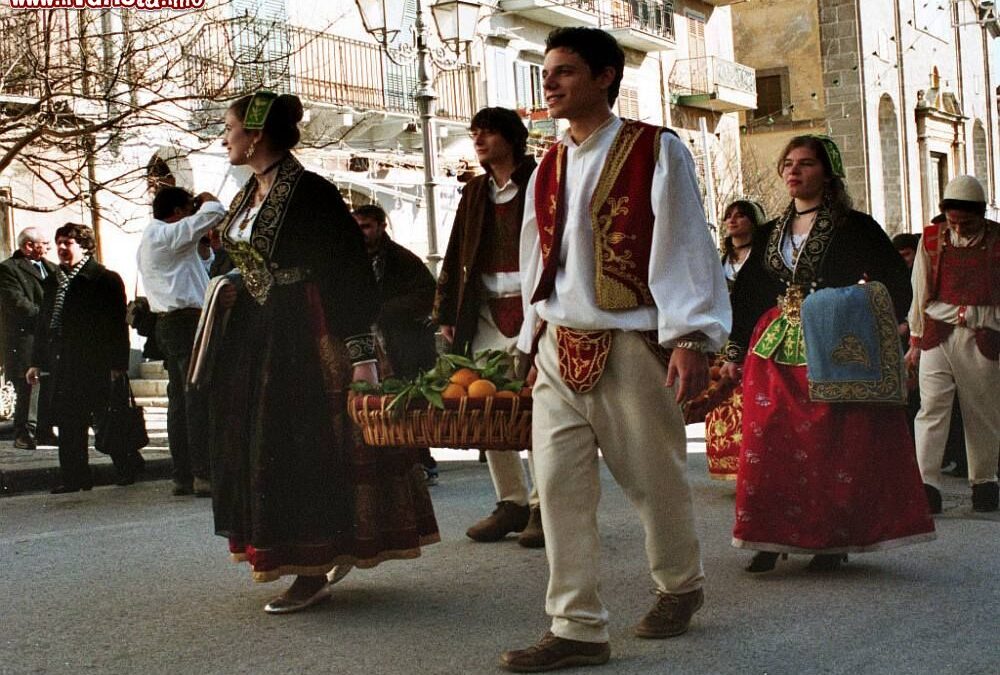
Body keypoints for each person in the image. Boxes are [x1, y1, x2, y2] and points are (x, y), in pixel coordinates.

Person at [501, 28, 731, 672]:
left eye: (565, 71)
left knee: (653, 480)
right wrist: (529, 336)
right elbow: (534, 253)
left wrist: (689, 336)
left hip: (630, 341)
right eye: (548, 72)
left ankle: (680, 586)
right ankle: (576, 626)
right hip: (557, 343)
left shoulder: (654, 150)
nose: (550, 83)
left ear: (605, 76)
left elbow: (686, 242)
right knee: (557, 486)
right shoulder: (548, 163)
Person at [209, 91, 439, 614]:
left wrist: (360, 352)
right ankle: (302, 555)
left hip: (306, 334)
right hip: (262, 334)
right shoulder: (251, 193)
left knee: (303, 446)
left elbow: (347, 270)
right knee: (268, 444)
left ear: (257, 134)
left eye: (230, 128)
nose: (225, 138)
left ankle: (311, 564)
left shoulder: (310, 193)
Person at [720, 135, 936, 574]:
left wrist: (887, 322)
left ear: (827, 173)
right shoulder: (768, 233)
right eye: (788, 164)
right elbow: (748, 294)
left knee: (826, 444)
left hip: (832, 344)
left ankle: (828, 539)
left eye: (805, 164)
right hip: (775, 347)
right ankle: (768, 534)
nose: (793, 171)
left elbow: (896, 278)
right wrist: (734, 350)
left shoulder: (854, 227)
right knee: (769, 438)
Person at [434, 106, 544, 548]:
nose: (478, 141)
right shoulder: (475, 191)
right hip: (484, 311)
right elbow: (456, 248)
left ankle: (542, 506)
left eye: (487, 133)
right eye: (474, 133)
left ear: (511, 138)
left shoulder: (542, 181)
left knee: (536, 409)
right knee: (488, 405)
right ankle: (511, 502)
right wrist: (445, 312)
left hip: (536, 308)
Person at [905, 175, 999, 513]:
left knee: (983, 411)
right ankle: (926, 485)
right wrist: (915, 342)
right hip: (937, 333)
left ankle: (984, 482)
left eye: (967, 222)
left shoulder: (998, 241)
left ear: (982, 214)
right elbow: (919, 289)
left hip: (983, 333)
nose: (958, 228)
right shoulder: (931, 239)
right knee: (931, 408)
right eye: (953, 221)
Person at [27, 223, 135, 492]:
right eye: (60, 242)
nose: (62, 248)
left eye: (69, 243)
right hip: (64, 361)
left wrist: (118, 364)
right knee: (68, 421)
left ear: (84, 246)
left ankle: (126, 468)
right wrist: (37, 361)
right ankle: (74, 478)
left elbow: (116, 325)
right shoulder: (53, 280)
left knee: (107, 417)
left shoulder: (104, 279)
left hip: (95, 361)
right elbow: (45, 324)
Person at [138, 186, 225, 497]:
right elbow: (215, 212)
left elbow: (197, 270)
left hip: (175, 323)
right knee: (196, 398)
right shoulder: (163, 234)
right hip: (185, 322)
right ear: (177, 212)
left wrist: (204, 247)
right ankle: (202, 473)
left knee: (181, 400)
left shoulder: (160, 239)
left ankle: (184, 474)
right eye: (189, 209)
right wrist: (206, 200)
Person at [353, 203, 440, 484]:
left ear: (381, 226)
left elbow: (428, 294)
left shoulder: (402, 259)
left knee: (407, 400)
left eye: (366, 226)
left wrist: (385, 310)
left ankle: (422, 462)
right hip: (371, 340)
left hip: (403, 341)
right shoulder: (352, 259)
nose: (361, 233)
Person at [704, 200, 766, 480]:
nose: (733, 221)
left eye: (740, 216)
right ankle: (732, 464)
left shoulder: (764, 257)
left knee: (754, 398)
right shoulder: (720, 261)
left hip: (757, 333)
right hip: (724, 336)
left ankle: (759, 461)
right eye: (729, 216)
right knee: (723, 398)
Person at [0, 227, 57, 449]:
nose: (48, 248)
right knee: (28, 387)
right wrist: (49, 318)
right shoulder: (8, 270)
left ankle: (44, 430)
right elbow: (17, 303)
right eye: (44, 243)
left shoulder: (52, 269)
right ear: (29, 246)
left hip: (48, 338)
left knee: (49, 384)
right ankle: (24, 433)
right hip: (25, 340)